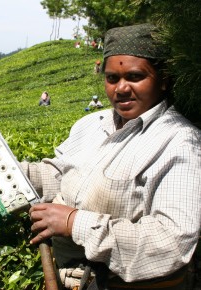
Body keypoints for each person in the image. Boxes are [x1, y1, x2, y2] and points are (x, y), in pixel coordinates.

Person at [23, 23, 201, 290]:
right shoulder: (91, 124)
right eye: (112, 78)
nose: (121, 88)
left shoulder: (180, 141)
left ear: (163, 79)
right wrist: (14, 173)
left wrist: (74, 223)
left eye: (135, 76)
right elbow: (62, 174)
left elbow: (171, 243)